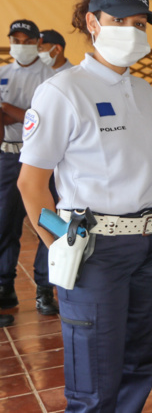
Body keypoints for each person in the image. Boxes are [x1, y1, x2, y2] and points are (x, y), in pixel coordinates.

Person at [17, 0, 152, 412]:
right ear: (92, 21)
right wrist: (57, 245)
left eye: (139, 23)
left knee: (141, 360)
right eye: (118, 20)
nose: (131, 30)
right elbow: (31, 184)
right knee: (94, 375)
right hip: (95, 248)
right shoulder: (63, 91)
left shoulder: (144, 92)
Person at [0, 19, 56, 325]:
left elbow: (42, 121)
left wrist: (13, 111)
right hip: (7, 156)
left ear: (37, 41)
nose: (19, 44)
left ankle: (45, 289)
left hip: (43, 159)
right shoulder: (2, 73)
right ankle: (4, 286)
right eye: (15, 39)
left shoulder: (51, 78)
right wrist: (23, 115)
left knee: (45, 221)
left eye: (25, 39)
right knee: (5, 223)